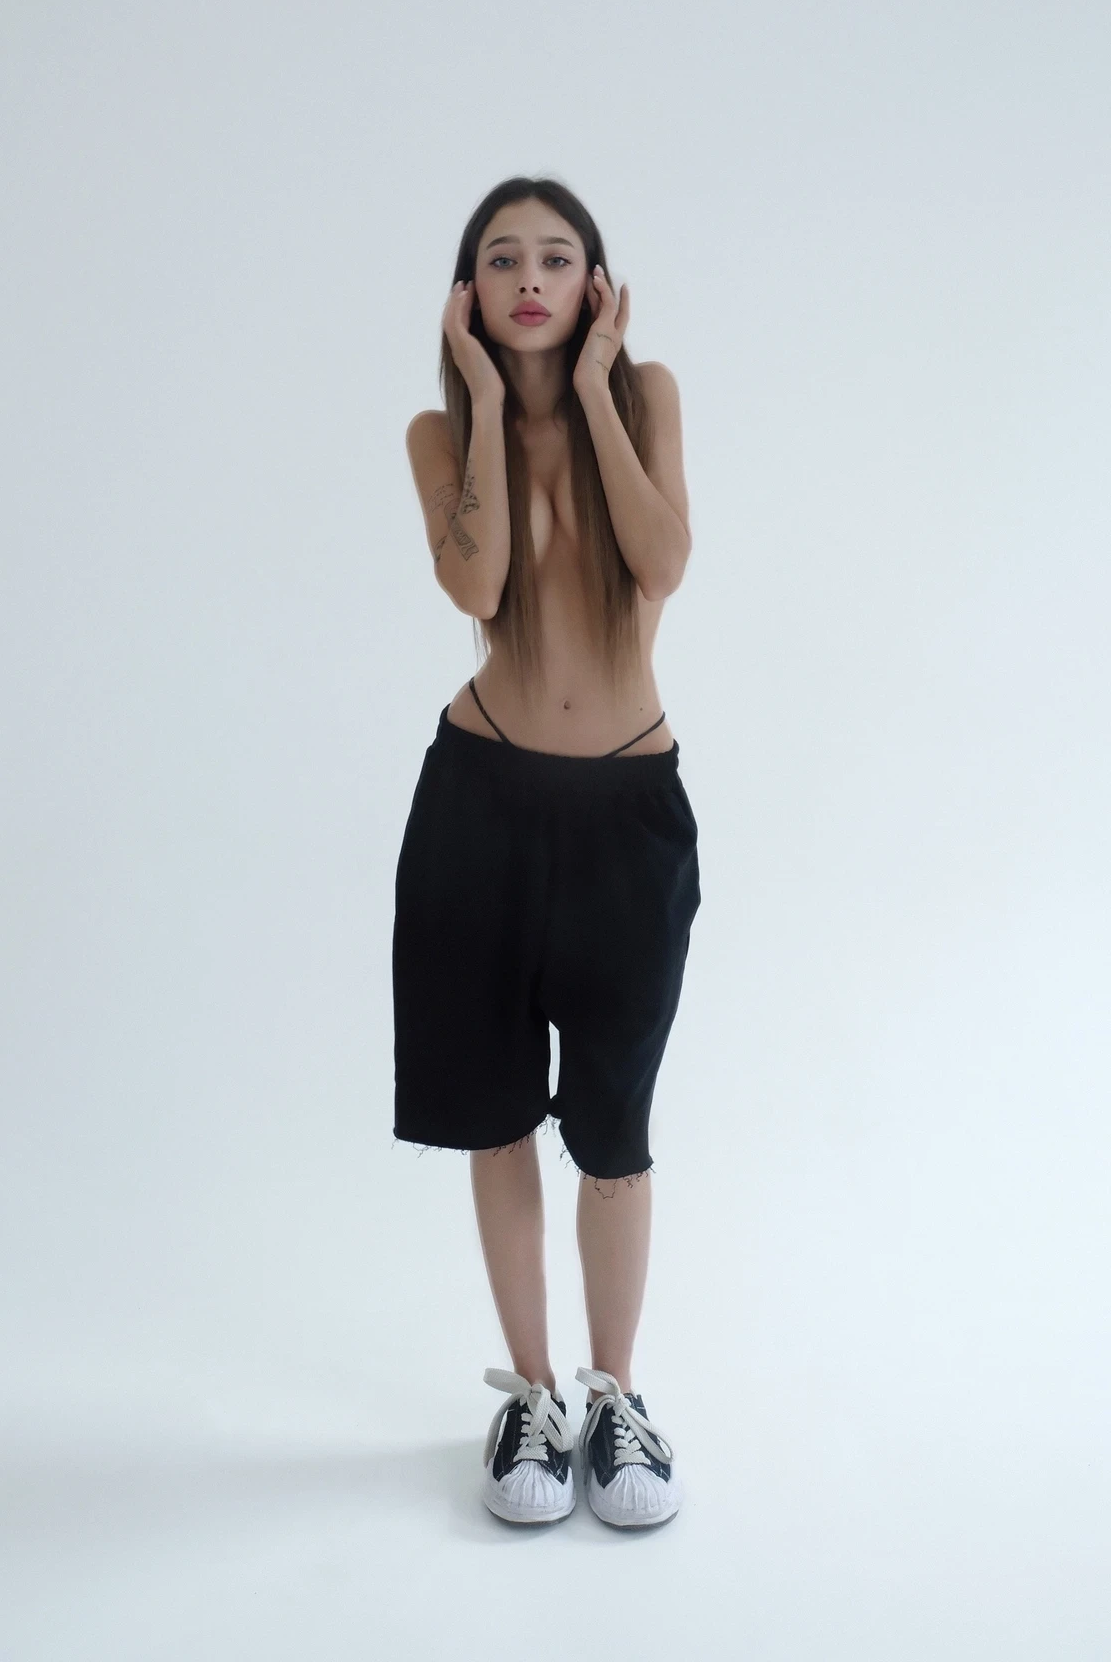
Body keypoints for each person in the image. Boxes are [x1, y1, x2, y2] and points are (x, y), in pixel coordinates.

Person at [391, 176, 701, 1528]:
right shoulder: (439, 433)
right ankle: (529, 1394)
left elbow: (662, 563)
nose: (531, 278)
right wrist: (479, 396)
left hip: (628, 816)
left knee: (614, 1130)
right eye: (503, 259)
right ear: (469, 292)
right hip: (480, 807)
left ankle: (615, 1395)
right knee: (499, 1113)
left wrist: (590, 393)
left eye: (557, 257)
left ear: (595, 283)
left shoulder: (647, 398)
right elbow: (475, 585)